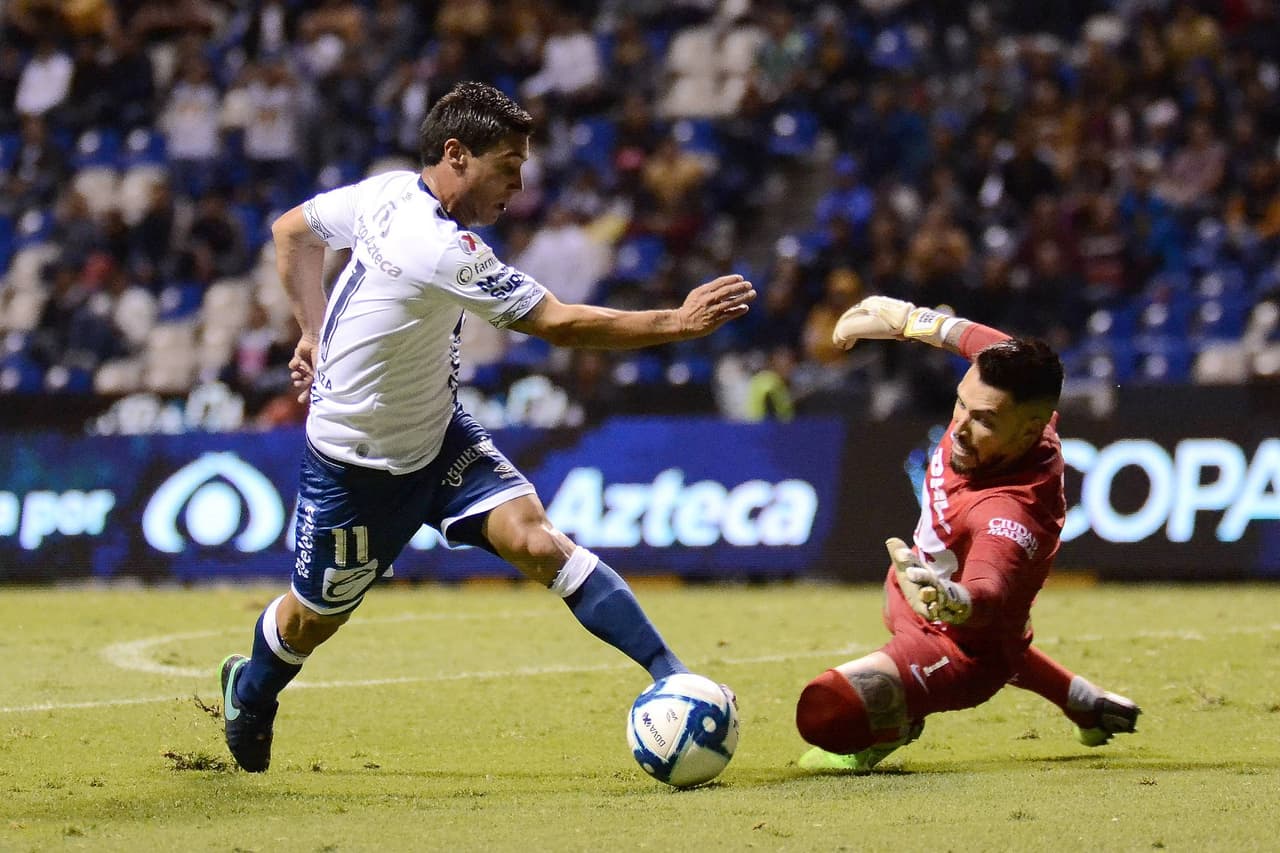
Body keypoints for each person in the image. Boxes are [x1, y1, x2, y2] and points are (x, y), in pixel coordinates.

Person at [218, 81, 754, 772]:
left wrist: (315, 332)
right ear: (457, 155)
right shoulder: (443, 247)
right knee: (310, 619)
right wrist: (676, 322)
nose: (520, 185)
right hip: (356, 466)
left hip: (439, 436)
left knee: (537, 541)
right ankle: (251, 688)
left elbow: (292, 229)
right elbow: (558, 322)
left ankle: (672, 677)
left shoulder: (386, 193)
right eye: (508, 166)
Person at [794, 296, 1140, 773]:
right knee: (945, 611)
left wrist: (954, 600)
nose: (960, 426)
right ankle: (1081, 700)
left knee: (823, 709)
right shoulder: (1014, 395)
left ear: (1030, 431)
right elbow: (990, 346)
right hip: (918, 588)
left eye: (984, 420)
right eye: (962, 403)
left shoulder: (1011, 509)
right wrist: (911, 321)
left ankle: (897, 723)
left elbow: (988, 590)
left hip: (958, 648)